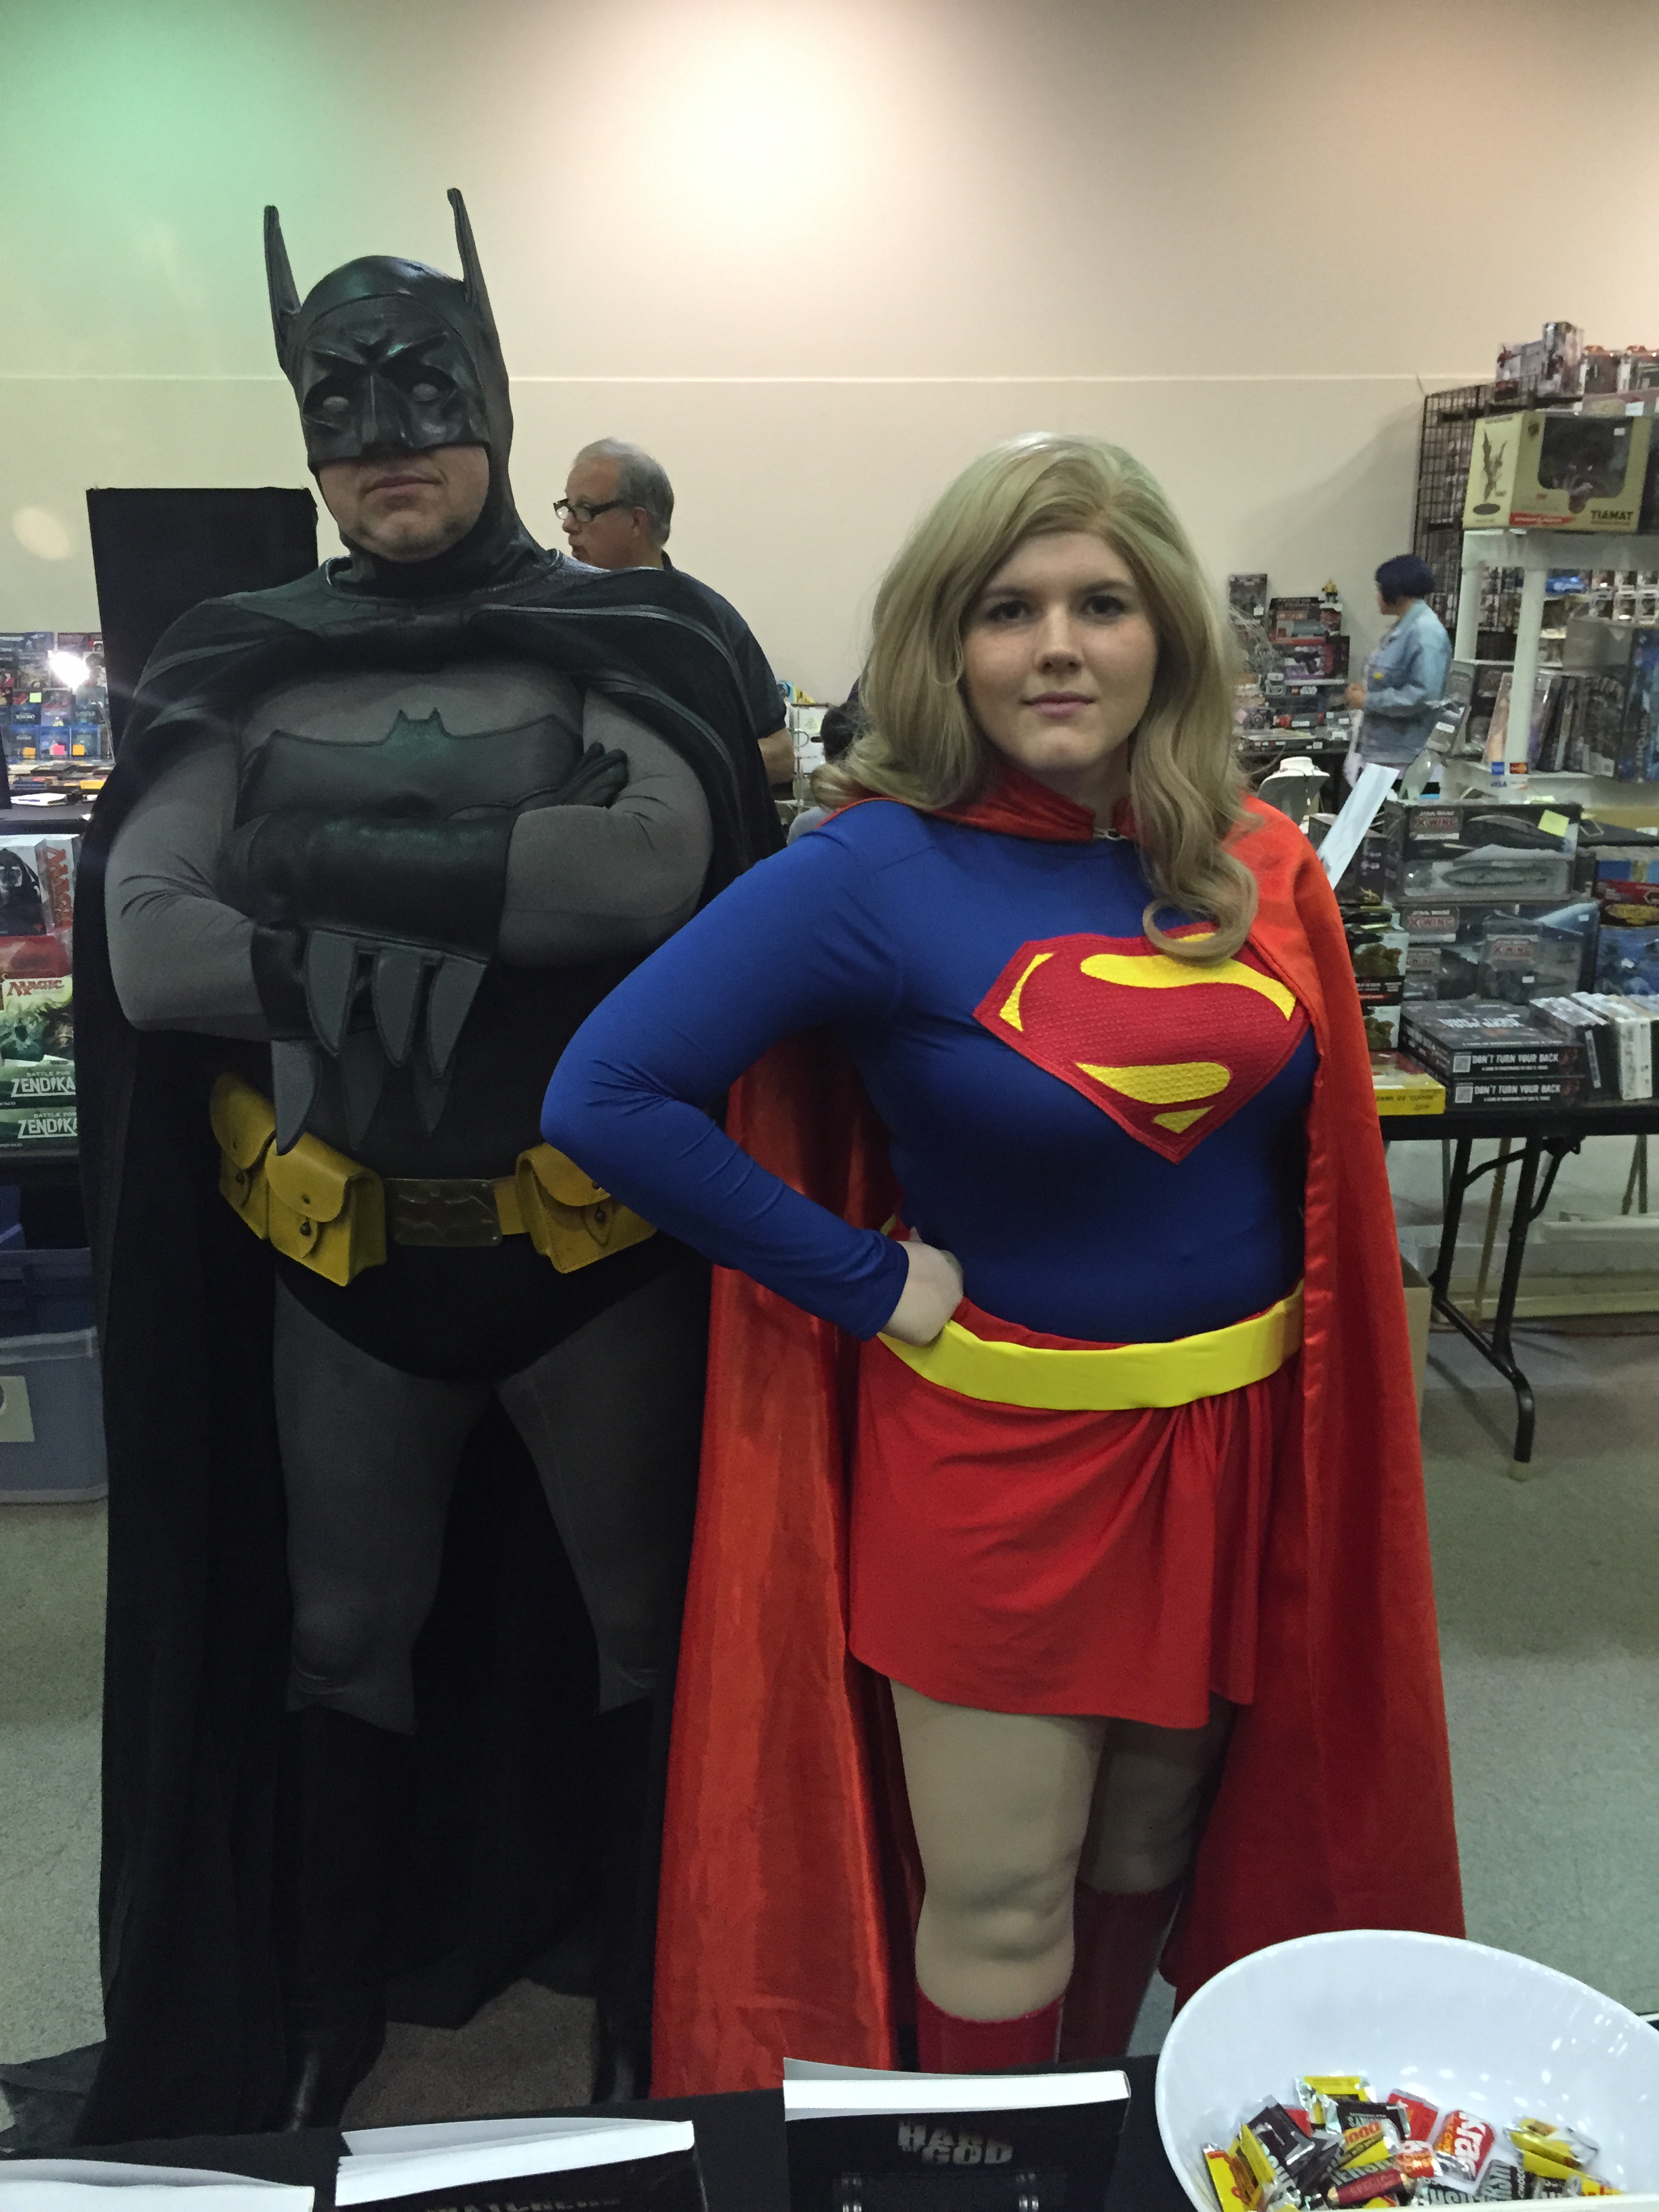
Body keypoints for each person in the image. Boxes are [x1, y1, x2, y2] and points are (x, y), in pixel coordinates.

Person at [543, 433, 1463, 2085]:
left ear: (1164, 631)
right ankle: (994, 2172)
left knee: (1146, 1845)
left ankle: (1084, 2136)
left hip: (1231, 1442)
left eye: (1101, 603)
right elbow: (605, 1093)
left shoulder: (1247, 860)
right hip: (1000, 1464)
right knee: (1001, 1897)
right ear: (946, 643)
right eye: (1006, 608)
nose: (1056, 646)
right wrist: (861, 1278)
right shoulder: (871, 869)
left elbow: (1307, 1163)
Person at [74, 190, 778, 2142]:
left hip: (597, 1257)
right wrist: (443, 905)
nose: (387, 436)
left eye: (424, 388)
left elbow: (644, 875)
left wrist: (295, 864)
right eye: (343, 401)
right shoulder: (238, 653)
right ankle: (325, 2012)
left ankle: (647, 2004)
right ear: (303, 427)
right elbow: (150, 947)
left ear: (495, 397)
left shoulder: (627, 630)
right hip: (344, 1262)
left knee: (645, 1630)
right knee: (335, 1637)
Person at [557, 438, 792, 785]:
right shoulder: (557, 617)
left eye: (585, 509)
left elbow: (781, 756)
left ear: (636, 521)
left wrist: (682, 768)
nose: (568, 525)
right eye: (567, 507)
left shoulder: (708, 621)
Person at [1344, 553, 1452, 775]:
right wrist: (1365, 692)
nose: (1377, 596)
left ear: (1396, 590)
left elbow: (1424, 695)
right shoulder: (1402, 628)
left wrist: (1368, 700)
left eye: (1380, 589)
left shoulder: (1425, 632)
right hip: (1381, 750)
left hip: (1403, 756)